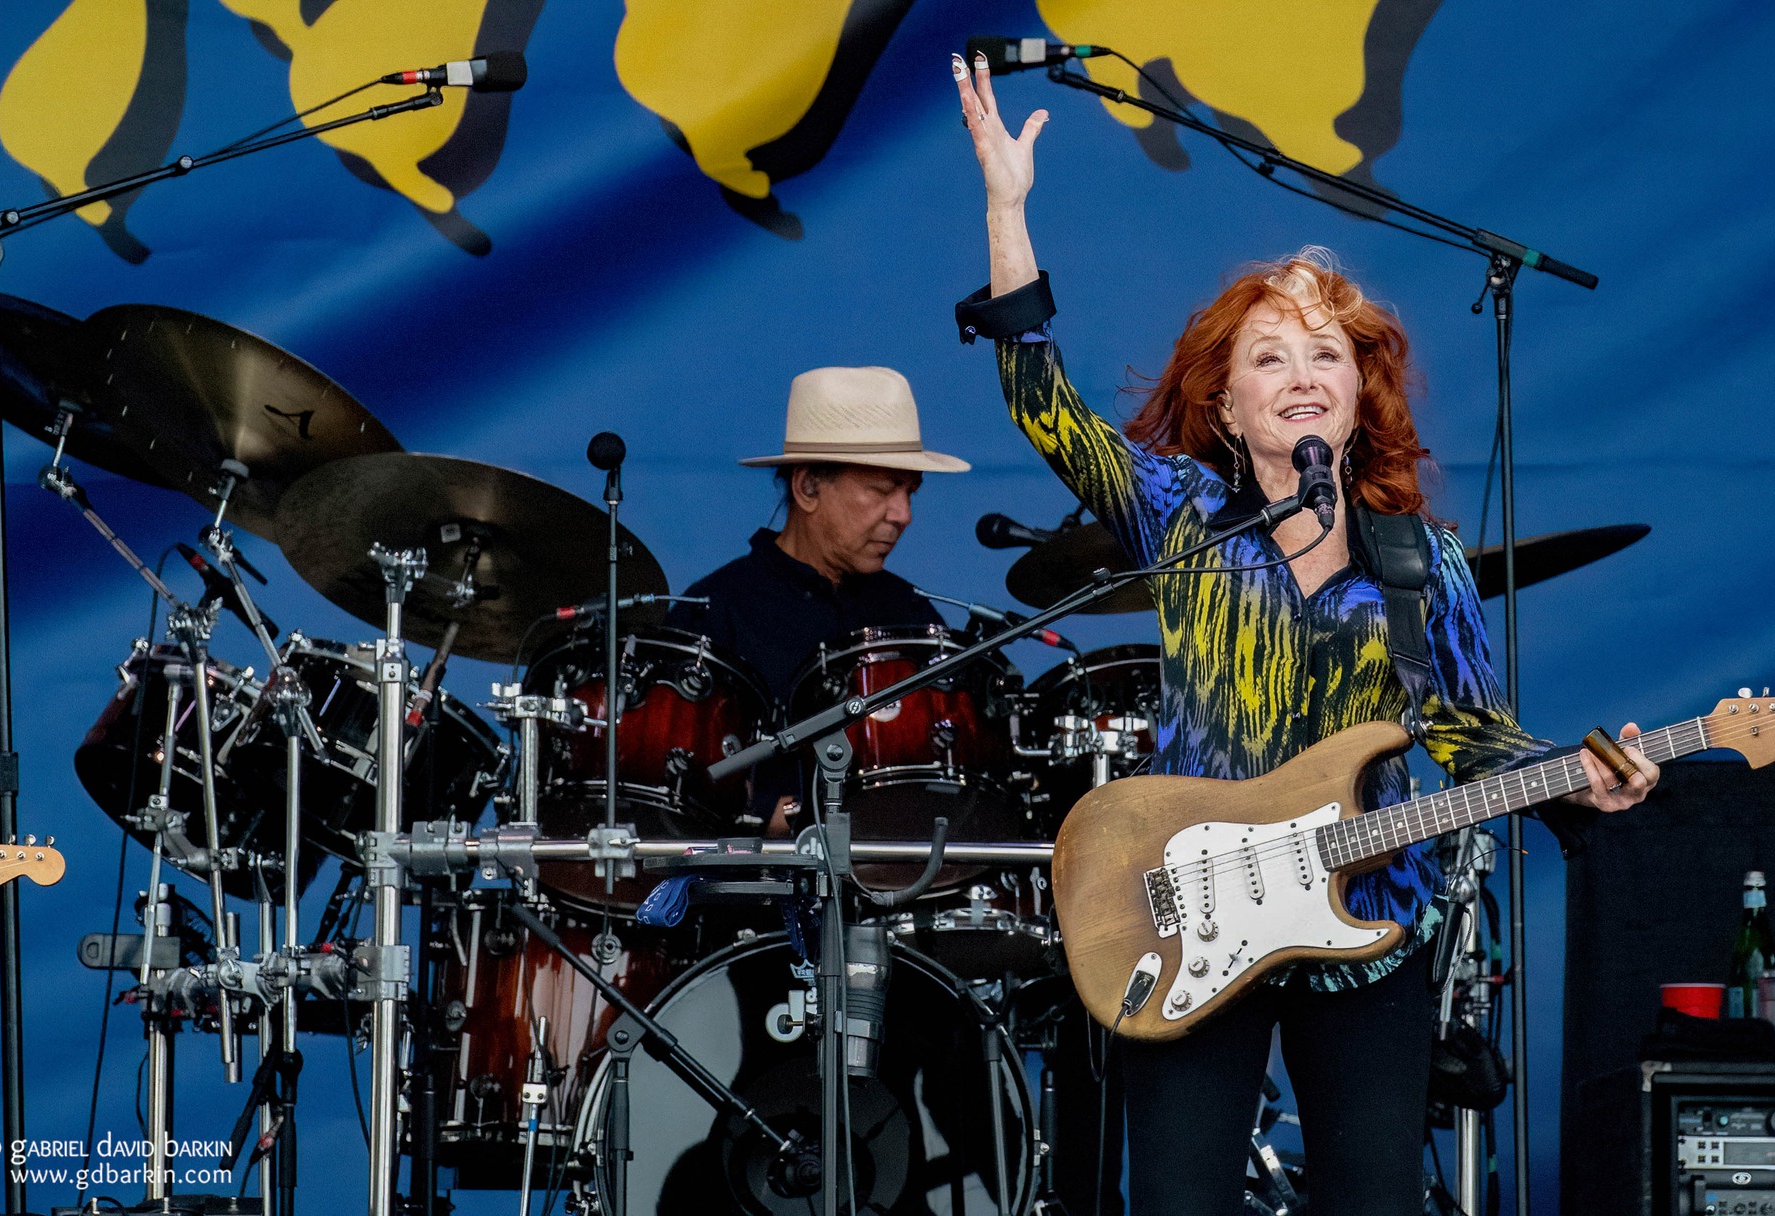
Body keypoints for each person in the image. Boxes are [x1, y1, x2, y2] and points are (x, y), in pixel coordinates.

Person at [949, 50, 1658, 1216]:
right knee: (1176, 1198)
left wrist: (1575, 780)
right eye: (1266, 356)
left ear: (1357, 390)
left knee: (1371, 1198)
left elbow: (1469, 732)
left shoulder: (1415, 558)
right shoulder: (1180, 514)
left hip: (1367, 921)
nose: (1300, 373)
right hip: (1192, 909)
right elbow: (1046, 411)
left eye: (1323, 353)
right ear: (1224, 406)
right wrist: (1004, 212)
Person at [665, 364, 970, 816]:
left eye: (910, 492)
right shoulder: (714, 611)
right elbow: (668, 784)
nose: (903, 514)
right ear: (808, 487)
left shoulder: (913, 617)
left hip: (900, 881)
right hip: (754, 883)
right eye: (883, 489)